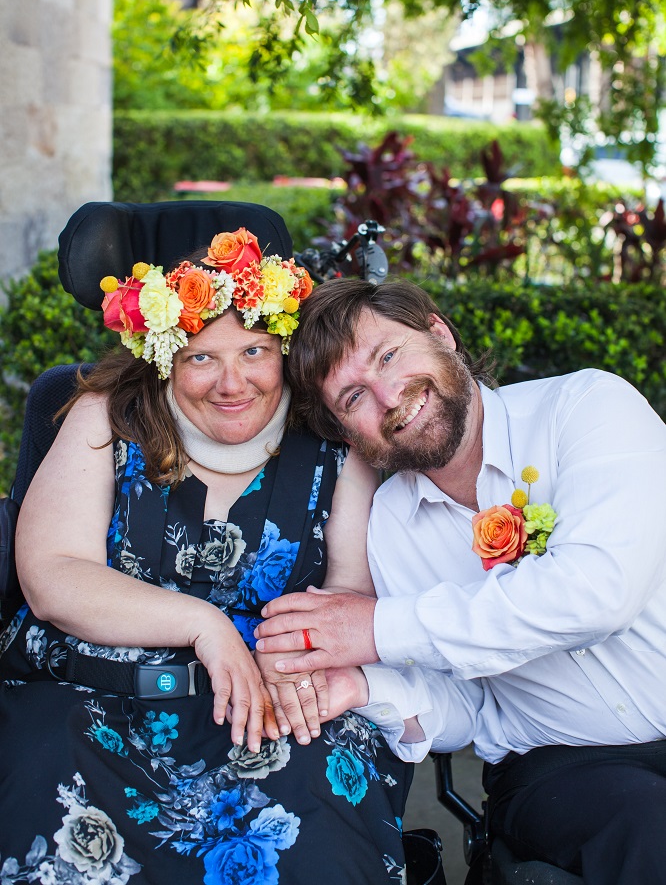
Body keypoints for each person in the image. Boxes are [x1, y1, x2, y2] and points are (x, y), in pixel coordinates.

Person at [0, 232, 413, 885]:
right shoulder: (106, 417)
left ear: (285, 349)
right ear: (164, 358)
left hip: (275, 691)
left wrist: (288, 653)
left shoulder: (335, 442)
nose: (232, 383)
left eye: (255, 351)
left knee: (317, 840)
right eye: (201, 358)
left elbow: (352, 590)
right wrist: (206, 625)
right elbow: (53, 574)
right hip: (97, 695)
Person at [255, 276, 666, 885]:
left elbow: (600, 591)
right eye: (352, 398)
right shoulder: (389, 527)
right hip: (562, 770)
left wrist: (375, 629)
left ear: (439, 332)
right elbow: (469, 708)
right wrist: (363, 690)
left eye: (389, 355)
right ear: (349, 436)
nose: (388, 396)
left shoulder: (586, 408)